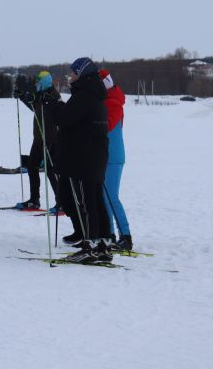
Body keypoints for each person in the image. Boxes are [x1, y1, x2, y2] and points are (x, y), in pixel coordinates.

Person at [48, 57, 112, 263]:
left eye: (73, 73)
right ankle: (102, 244)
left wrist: (54, 105)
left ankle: (90, 245)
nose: (70, 76)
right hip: (93, 157)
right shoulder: (94, 94)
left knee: (86, 204)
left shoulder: (84, 95)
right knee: (95, 202)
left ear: (82, 74)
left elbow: (64, 119)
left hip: (83, 158)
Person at [13, 71, 61, 210]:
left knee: (51, 171)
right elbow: (34, 107)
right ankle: (34, 199)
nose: (36, 85)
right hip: (39, 139)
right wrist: (23, 97)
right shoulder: (40, 97)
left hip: (51, 139)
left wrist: (36, 98)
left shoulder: (53, 97)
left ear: (44, 83)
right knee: (31, 166)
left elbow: (50, 110)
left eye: (38, 83)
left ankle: (62, 202)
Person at [99, 69, 133, 251]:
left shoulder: (113, 104)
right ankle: (109, 234)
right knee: (105, 198)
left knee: (111, 197)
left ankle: (125, 236)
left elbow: (106, 126)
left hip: (113, 157)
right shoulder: (107, 101)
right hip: (107, 155)